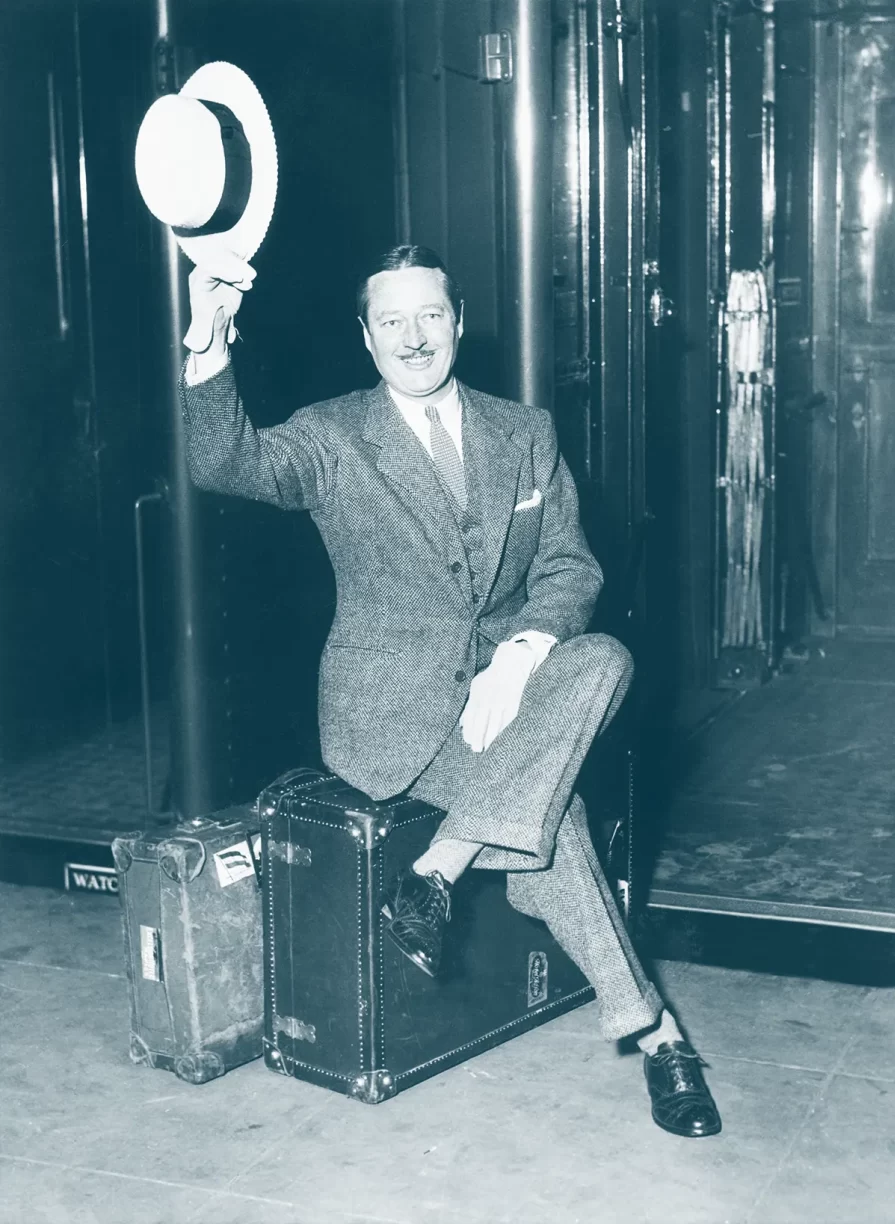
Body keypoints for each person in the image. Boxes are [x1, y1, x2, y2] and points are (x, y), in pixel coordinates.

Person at [180, 244, 722, 1139]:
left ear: (459, 323)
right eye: (390, 320)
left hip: (512, 700)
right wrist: (207, 342)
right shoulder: (331, 435)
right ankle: (659, 1037)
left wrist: (518, 660)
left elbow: (568, 567)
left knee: (603, 659)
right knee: (557, 825)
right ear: (365, 337)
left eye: (429, 315)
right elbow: (226, 462)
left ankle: (437, 868)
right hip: (388, 715)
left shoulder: (524, 432)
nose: (413, 337)